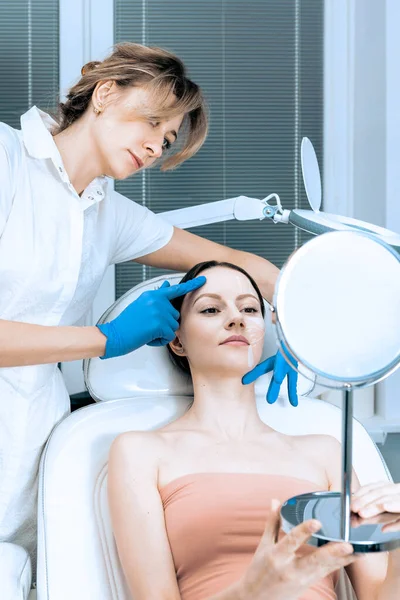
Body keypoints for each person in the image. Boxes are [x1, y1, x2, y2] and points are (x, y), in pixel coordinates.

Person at [0, 41, 296, 586]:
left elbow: (238, 263)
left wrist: (300, 336)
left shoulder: (105, 213)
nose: (157, 146)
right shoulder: (7, 163)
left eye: (166, 139)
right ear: (106, 94)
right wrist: (105, 341)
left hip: (26, 455)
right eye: (153, 122)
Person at [108, 260, 400, 600]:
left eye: (249, 308)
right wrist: (251, 592)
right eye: (211, 309)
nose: (237, 318)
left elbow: (381, 594)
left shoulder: (325, 452)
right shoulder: (141, 452)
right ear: (177, 341)